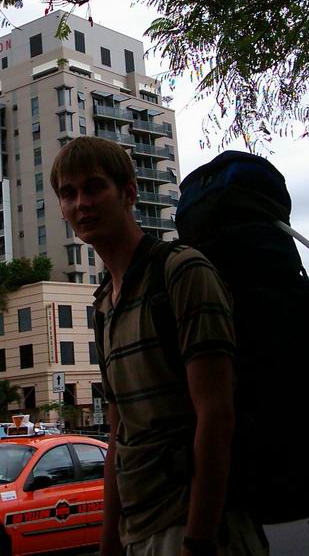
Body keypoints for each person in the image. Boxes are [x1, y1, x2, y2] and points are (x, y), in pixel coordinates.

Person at [50, 136, 269, 556]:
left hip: (195, 525)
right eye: (68, 193)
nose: (81, 203)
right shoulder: (105, 305)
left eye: (95, 187)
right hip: (140, 530)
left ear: (129, 193)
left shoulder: (182, 273)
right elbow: (119, 435)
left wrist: (199, 541)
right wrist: (110, 545)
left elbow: (217, 413)